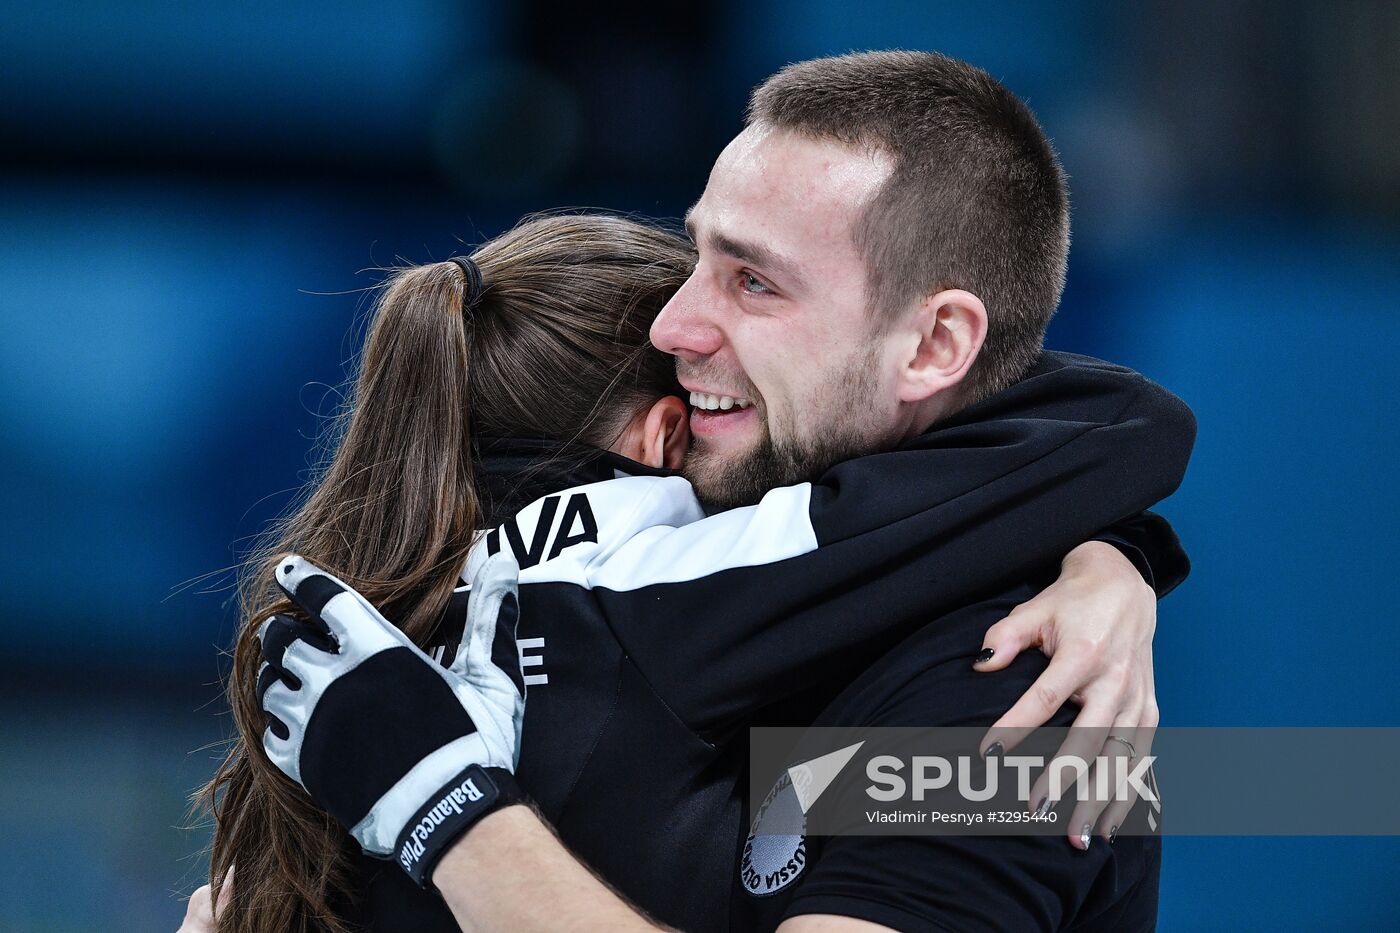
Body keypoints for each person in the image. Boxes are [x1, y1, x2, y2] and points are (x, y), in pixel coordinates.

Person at [189, 51, 1193, 933]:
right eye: (698, 254)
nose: (676, 325)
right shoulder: (635, 607)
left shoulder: (1027, 707)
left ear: (934, 345)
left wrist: (443, 805)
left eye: (752, 281)